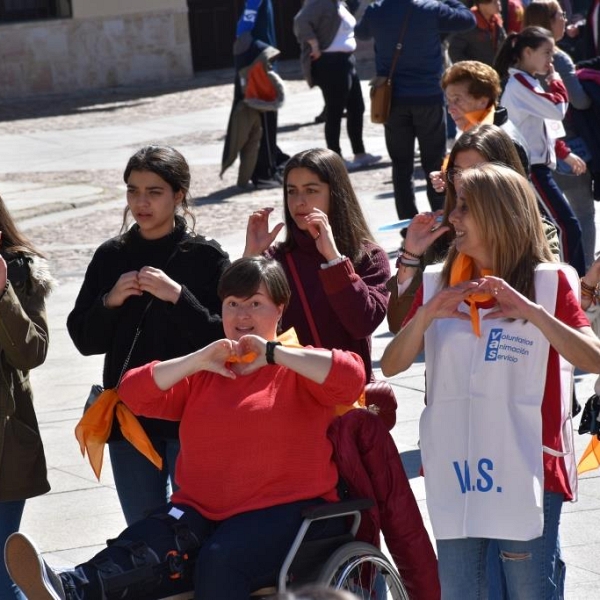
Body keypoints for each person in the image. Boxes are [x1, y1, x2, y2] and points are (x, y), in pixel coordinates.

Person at [5, 257, 366, 600]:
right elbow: (132, 391)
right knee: (140, 548)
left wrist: (273, 353)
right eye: (232, 304)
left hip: (288, 511)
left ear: (280, 309)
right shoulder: (207, 374)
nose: (242, 315)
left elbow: (352, 376)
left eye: (256, 304)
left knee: (221, 559)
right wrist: (199, 359)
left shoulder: (298, 368)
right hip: (200, 512)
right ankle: (69, 589)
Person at [381, 163, 600, 597]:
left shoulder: (548, 280)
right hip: (456, 469)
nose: (453, 218)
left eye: (465, 208)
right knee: (462, 592)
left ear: (500, 214)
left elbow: (593, 358)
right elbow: (389, 366)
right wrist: (425, 315)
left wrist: (535, 313)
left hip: (528, 467)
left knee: (527, 592)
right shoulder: (437, 281)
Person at [67, 145, 230, 526]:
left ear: (179, 195)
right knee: (142, 534)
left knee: (197, 525)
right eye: (133, 190)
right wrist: (109, 301)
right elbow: (84, 339)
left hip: (191, 418)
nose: (141, 202)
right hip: (130, 420)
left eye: (154, 192)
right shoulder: (112, 255)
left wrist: (178, 296)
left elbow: (223, 338)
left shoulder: (204, 257)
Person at [387, 123, 559, 334]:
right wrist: (410, 256)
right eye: (457, 172)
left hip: (516, 358)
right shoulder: (444, 233)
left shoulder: (538, 232)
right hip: (452, 363)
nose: (463, 182)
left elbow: (552, 310)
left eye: (477, 171)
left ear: (506, 177)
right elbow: (399, 326)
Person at [244, 147, 390, 382]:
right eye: (292, 191)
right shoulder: (274, 259)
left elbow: (362, 323)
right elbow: (237, 322)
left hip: (346, 394)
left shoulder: (369, 256)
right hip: (290, 395)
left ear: (336, 194)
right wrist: (250, 256)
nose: (299, 202)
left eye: (311, 190)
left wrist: (334, 260)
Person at [355, 0, 476, 220]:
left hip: (393, 100)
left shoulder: (376, 10)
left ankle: (408, 224)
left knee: (401, 166)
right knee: (435, 163)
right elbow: (468, 19)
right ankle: (442, 219)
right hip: (427, 97)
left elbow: (360, 33)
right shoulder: (430, 8)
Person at [495, 25, 586, 276]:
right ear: (527, 52)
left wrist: (562, 151)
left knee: (550, 230)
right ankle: (574, 286)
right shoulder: (519, 83)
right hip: (530, 168)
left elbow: (543, 125)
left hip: (536, 166)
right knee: (566, 227)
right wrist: (556, 82)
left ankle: (565, 285)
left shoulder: (526, 81)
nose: (551, 59)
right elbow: (557, 110)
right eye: (547, 53)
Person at [0, 194, 54, 599]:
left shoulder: (19, 270)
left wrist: (3, 295)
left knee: (5, 578)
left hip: (6, 445)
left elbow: (30, 352)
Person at [524, 0, 596, 270]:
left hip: (533, 149)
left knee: (544, 221)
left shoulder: (520, 58)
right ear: (548, 21)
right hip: (569, 147)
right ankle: (584, 281)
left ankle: (550, 276)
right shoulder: (558, 57)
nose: (565, 19)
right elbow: (578, 102)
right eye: (560, 15)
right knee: (582, 216)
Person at [293, 0, 381, 170]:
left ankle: (359, 153)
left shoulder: (340, 3)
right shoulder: (322, 3)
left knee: (357, 107)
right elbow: (300, 21)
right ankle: (334, 159)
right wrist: (314, 44)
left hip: (346, 61)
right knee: (335, 111)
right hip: (330, 63)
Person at [226, 0, 290, 189]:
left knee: (267, 123)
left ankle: (272, 162)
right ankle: (263, 173)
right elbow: (242, 30)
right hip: (257, 69)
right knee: (264, 123)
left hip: (263, 67)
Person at [448, 0, 507, 67]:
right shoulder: (468, 23)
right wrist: (470, 70)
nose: (498, 3)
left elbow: (504, 44)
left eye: (498, 0)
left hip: (496, 72)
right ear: (481, 4)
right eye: (494, 2)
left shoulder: (497, 21)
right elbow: (454, 51)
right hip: (476, 74)